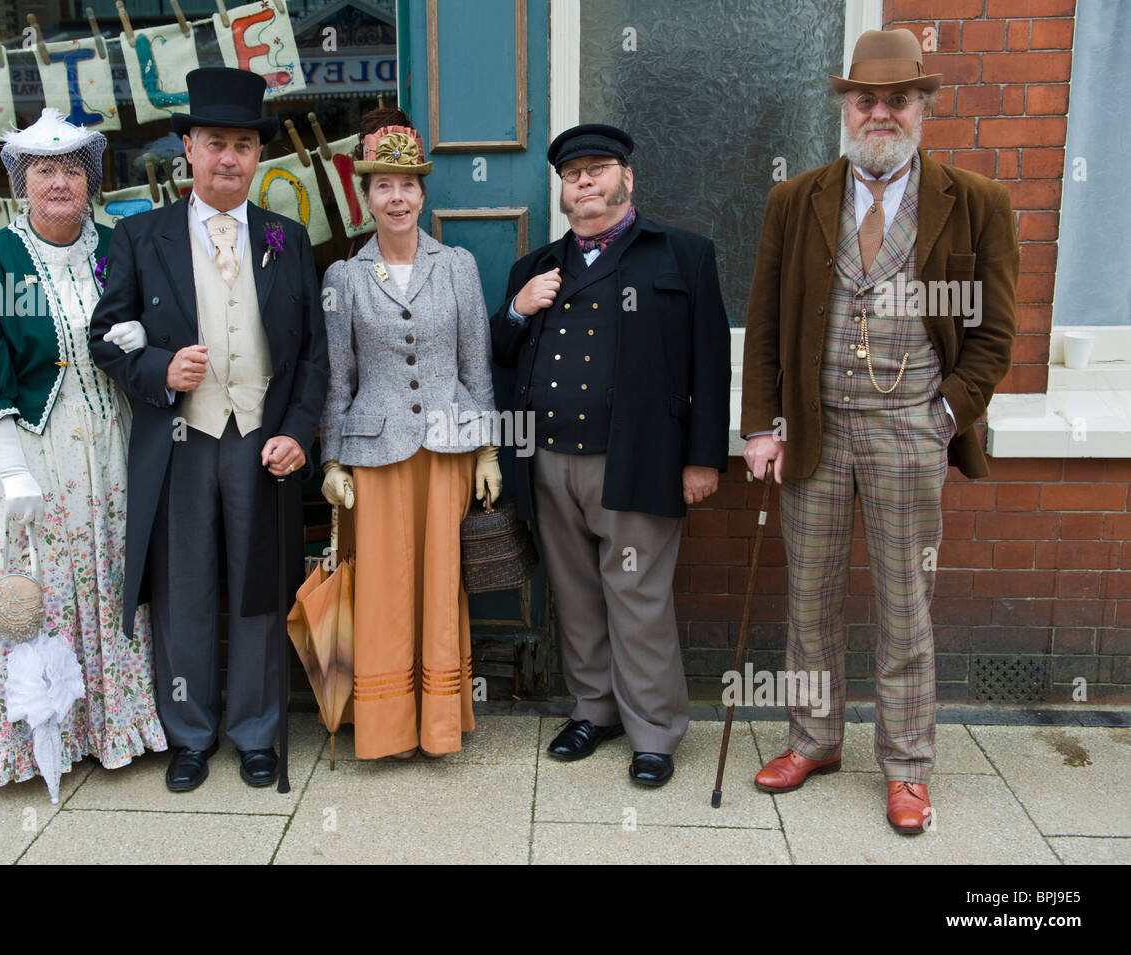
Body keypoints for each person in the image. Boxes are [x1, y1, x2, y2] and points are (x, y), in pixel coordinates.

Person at [741, 29, 1018, 832]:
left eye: (899, 99)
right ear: (845, 107)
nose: (882, 112)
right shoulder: (796, 201)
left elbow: (995, 335)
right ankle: (814, 739)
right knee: (810, 601)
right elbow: (763, 326)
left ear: (923, 108)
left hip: (910, 431)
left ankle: (906, 767)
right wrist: (760, 424)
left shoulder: (977, 203)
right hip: (815, 434)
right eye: (867, 98)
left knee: (905, 606)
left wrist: (943, 415)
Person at [88, 67, 327, 793]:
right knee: (185, 590)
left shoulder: (288, 236)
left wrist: (298, 431)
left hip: (260, 444)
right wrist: (161, 366)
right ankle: (189, 732)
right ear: (187, 148)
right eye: (216, 142)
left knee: (258, 590)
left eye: (245, 145)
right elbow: (107, 334)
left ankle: (256, 733)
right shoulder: (139, 235)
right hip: (183, 444)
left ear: (259, 157)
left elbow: (314, 352)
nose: (230, 157)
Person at [491, 124, 730, 787]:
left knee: (638, 596)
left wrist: (703, 458)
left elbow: (711, 364)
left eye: (598, 169)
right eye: (573, 175)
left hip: (637, 460)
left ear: (627, 179)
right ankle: (593, 709)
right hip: (547, 461)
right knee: (573, 593)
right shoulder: (534, 268)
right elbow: (500, 353)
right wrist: (516, 309)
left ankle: (653, 730)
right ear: (563, 191)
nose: (585, 182)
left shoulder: (682, 256)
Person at [0, 107, 166, 785]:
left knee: (109, 578)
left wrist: (141, 341)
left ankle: (110, 724)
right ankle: (35, 737)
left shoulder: (117, 246)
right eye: (44, 171)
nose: (60, 183)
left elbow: (155, 316)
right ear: (21, 183)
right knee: (43, 587)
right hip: (29, 446)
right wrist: (10, 470)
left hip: (110, 440)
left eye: (72, 169)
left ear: (91, 179)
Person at [320, 108, 501, 760]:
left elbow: (476, 364)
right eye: (383, 186)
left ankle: (438, 725)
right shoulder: (342, 278)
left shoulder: (457, 266)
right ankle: (386, 727)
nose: (397, 198)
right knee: (383, 590)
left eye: (408, 185)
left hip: (448, 449)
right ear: (365, 196)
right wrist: (332, 460)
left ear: (423, 192)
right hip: (375, 454)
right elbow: (338, 379)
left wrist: (487, 449)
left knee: (439, 583)